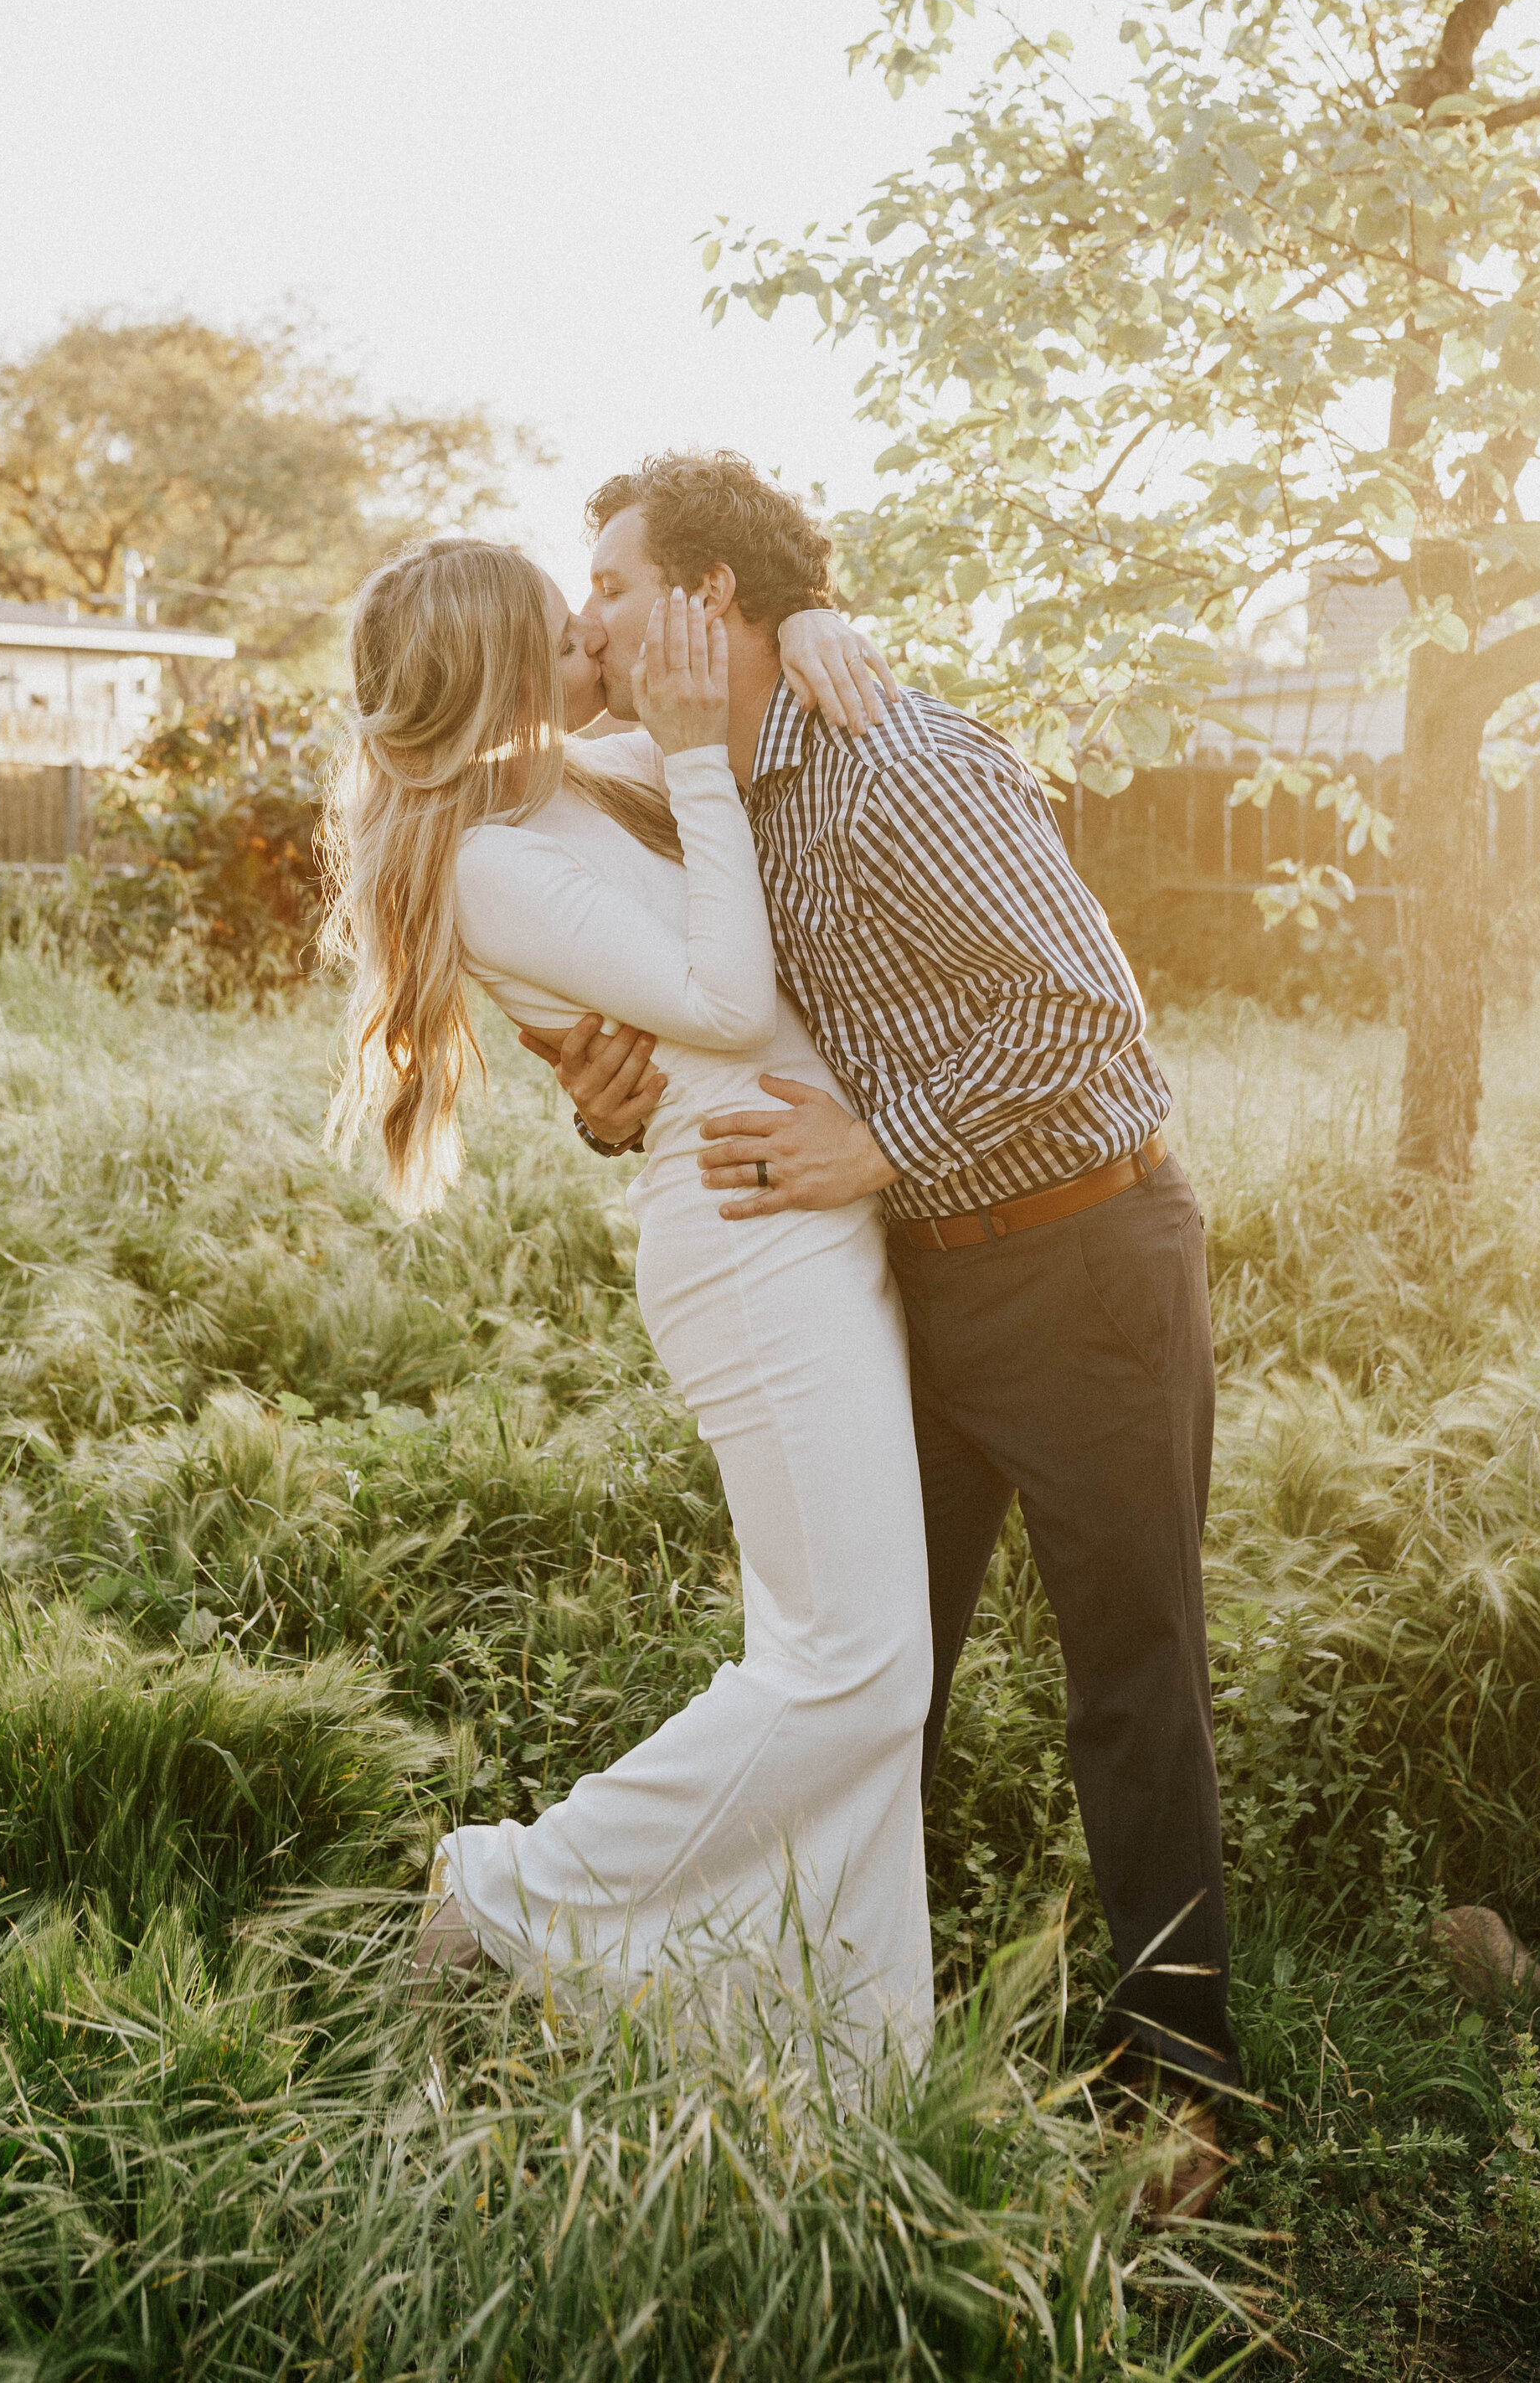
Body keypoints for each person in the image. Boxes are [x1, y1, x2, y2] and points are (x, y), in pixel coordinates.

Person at [544, 451, 1240, 2198]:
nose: (590, 620)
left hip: (1085, 1265)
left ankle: (1182, 2097)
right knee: (869, 1682)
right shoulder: (680, 781)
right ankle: (833, 2045)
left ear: (709, 605)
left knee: (1129, 1685)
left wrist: (877, 1136)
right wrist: (608, 1097)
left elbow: (1094, 1031)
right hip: (896, 1285)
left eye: (616, 587)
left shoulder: (894, 760)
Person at [318, 535, 935, 2066]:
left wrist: (806, 631)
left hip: (807, 1210)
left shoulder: (573, 776)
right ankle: (508, 1891)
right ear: (504, 670)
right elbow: (724, 1001)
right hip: (745, 1239)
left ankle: (850, 2061)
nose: (597, 635)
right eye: (563, 627)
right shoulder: (484, 861)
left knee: (860, 1662)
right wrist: (691, 763)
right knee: (849, 1666)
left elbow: (736, 732)